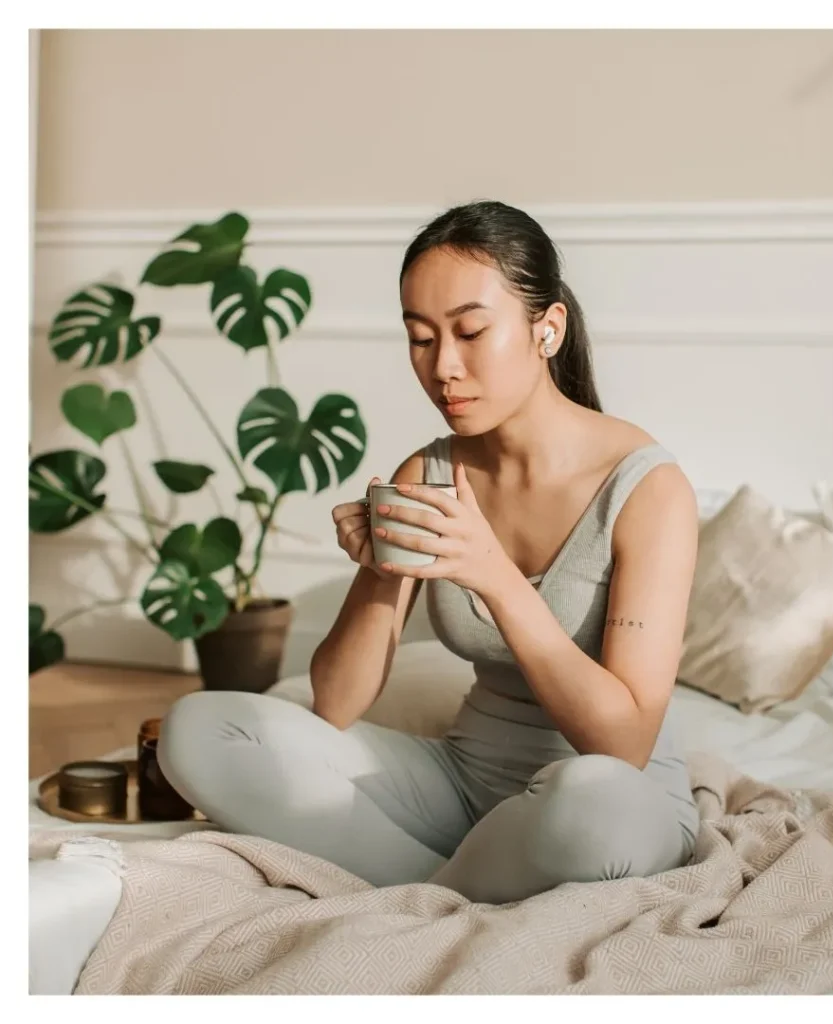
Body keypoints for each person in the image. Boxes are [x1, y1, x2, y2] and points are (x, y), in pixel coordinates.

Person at [158, 200, 701, 905]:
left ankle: (408, 893)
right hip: (463, 787)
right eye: (420, 338)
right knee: (199, 729)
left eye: (471, 332)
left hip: (607, 801)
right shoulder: (431, 473)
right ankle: (443, 895)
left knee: (589, 803)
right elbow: (335, 705)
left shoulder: (649, 489)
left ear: (548, 329)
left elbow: (623, 745)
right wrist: (379, 571)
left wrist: (498, 579)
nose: (444, 366)